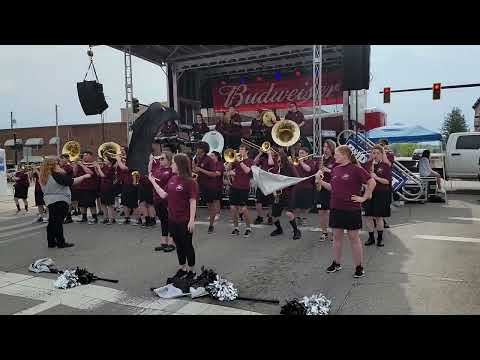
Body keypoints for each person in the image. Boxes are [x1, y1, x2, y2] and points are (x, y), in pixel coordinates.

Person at [317, 145, 376, 278]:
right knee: (336, 238)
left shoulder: (356, 169)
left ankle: (359, 267)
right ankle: (336, 263)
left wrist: (364, 197)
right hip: (336, 208)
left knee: (354, 239)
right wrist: (320, 181)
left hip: (351, 209)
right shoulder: (335, 169)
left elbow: (372, 182)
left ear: (344, 155)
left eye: (337, 153)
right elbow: (333, 187)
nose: (335, 156)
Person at [149, 154, 198, 281]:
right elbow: (164, 195)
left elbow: (193, 201)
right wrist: (153, 182)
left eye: (173, 163)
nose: (171, 166)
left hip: (184, 220)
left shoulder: (190, 182)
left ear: (179, 165)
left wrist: (192, 220)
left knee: (187, 245)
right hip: (172, 219)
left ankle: (191, 271)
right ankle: (182, 268)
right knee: (178, 245)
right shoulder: (173, 179)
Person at [39, 157, 92, 248]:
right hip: (60, 200)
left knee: (52, 222)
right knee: (58, 222)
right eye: (57, 163)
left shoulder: (44, 175)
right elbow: (71, 182)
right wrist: (84, 176)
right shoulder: (56, 174)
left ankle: (51, 242)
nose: (59, 165)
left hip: (49, 200)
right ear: (53, 165)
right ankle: (61, 242)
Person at [363, 145, 392, 247]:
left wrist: (376, 177)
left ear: (382, 154)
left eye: (377, 153)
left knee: (378, 217)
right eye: (373, 153)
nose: (375, 155)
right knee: (368, 216)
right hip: (368, 192)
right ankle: (371, 238)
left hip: (380, 193)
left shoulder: (385, 165)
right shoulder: (367, 165)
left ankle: (379, 238)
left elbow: (387, 181)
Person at [270, 149, 302, 240]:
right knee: (274, 216)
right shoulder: (276, 168)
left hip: (288, 193)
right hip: (278, 194)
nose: (278, 161)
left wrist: (286, 183)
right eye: (277, 160)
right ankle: (279, 229)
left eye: (279, 160)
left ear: (283, 158)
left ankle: (296, 231)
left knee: (289, 213)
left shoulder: (289, 166)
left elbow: (296, 179)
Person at [225, 144, 254, 237]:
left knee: (244, 209)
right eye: (240, 149)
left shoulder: (250, 161)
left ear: (246, 151)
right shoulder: (236, 160)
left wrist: (240, 161)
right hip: (234, 187)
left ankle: (248, 228)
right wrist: (231, 160)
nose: (240, 151)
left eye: (242, 149)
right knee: (233, 208)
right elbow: (227, 169)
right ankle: (236, 228)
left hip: (244, 187)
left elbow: (247, 171)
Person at [151, 151, 175, 252]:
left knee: (170, 221)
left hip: (167, 199)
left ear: (169, 160)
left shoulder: (171, 171)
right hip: (157, 199)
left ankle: (172, 243)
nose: (160, 160)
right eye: (160, 158)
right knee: (163, 221)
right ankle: (164, 242)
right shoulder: (158, 170)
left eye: (162, 158)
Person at [192, 141, 218, 234]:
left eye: (198, 148)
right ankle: (192, 219)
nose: (196, 150)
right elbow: (195, 171)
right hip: (199, 184)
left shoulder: (209, 160)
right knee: (193, 201)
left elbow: (213, 174)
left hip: (209, 186)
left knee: (210, 206)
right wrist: (194, 167)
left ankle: (211, 225)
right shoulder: (197, 158)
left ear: (203, 150)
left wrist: (200, 169)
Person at [315, 140, 337, 241]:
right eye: (324, 147)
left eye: (327, 147)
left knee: (330, 212)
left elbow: (338, 173)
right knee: (321, 212)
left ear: (332, 148)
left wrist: (328, 170)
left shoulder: (335, 159)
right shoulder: (321, 159)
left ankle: (333, 232)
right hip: (321, 187)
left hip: (331, 187)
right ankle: (324, 232)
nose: (325, 149)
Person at [73, 151, 98, 224]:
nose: (84, 157)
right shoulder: (80, 164)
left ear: (91, 156)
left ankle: (94, 218)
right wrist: (75, 164)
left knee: (91, 203)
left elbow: (90, 173)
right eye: (83, 155)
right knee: (81, 204)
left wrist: (82, 165)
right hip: (80, 186)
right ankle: (84, 217)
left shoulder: (94, 164)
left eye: (86, 155)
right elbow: (74, 173)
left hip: (90, 187)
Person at [293, 147, 317, 226]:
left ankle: (304, 218)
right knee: (296, 205)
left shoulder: (311, 161)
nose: (300, 154)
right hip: (297, 186)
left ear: (307, 153)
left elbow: (309, 170)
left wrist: (302, 162)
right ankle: (297, 218)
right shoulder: (296, 161)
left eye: (302, 153)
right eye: (299, 153)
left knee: (307, 206)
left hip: (307, 186)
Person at [252, 149, 275, 225]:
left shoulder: (275, 158)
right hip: (262, 182)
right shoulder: (263, 158)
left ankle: (270, 217)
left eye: (271, 150)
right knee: (258, 201)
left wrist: (269, 155)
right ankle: (260, 217)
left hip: (270, 183)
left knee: (270, 202)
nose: (269, 151)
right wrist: (260, 153)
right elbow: (254, 162)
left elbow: (270, 163)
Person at [115, 155, 139, 225]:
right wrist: (118, 162)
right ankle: (127, 218)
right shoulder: (122, 162)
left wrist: (118, 160)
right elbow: (119, 171)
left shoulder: (133, 162)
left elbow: (124, 168)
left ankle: (138, 219)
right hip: (124, 185)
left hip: (132, 185)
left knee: (133, 204)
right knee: (124, 203)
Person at [94, 158, 116, 225]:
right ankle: (105, 218)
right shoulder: (105, 167)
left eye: (106, 160)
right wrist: (96, 168)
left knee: (109, 204)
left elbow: (103, 176)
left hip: (108, 187)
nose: (104, 161)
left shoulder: (111, 168)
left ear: (110, 162)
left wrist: (98, 168)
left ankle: (111, 219)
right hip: (102, 187)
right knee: (103, 204)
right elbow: (99, 175)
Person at [59, 155, 75, 223]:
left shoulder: (68, 167)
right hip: (62, 187)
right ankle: (64, 216)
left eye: (62, 159)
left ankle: (69, 217)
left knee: (68, 202)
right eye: (61, 159)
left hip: (68, 186)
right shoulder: (61, 167)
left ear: (66, 159)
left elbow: (62, 172)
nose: (61, 161)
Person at [208, 151, 224, 222]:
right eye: (210, 155)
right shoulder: (209, 164)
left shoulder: (220, 164)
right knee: (211, 200)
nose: (210, 157)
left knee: (216, 200)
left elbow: (218, 173)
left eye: (212, 156)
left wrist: (209, 173)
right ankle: (212, 214)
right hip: (210, 185)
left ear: (216, 156)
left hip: (217, 184)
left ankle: (217, 214)